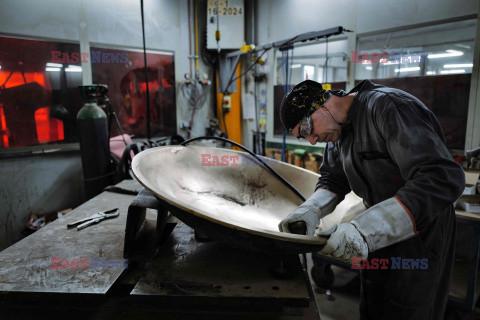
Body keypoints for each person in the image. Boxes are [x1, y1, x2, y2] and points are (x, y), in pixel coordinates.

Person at [278, 79, 465, 319]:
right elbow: (333, 180)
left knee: (408, 310)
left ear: (322, 104)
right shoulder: (336, 132)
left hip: (420, 233)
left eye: (306, 129)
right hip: (377, 231)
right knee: (373, 306)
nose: (312, 140)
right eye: (304, 138)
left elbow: (439, 178)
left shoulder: (388, 108)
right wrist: (310, 210)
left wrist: (366, 230)